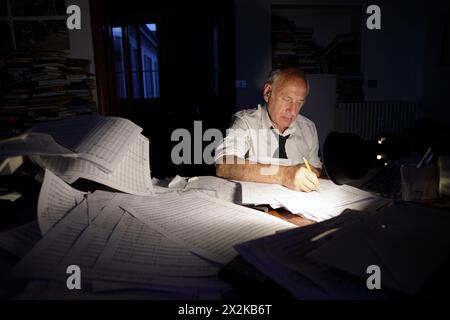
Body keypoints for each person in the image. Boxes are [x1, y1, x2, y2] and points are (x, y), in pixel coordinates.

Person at [215, 66, 321, 192]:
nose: (293, 111)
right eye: (287, 99)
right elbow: (224, 165)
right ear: (268, 93)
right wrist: (285, 175)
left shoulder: (308, 128)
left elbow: (316, 168)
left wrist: (309, 174)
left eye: (299, 103)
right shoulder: (245, 122)